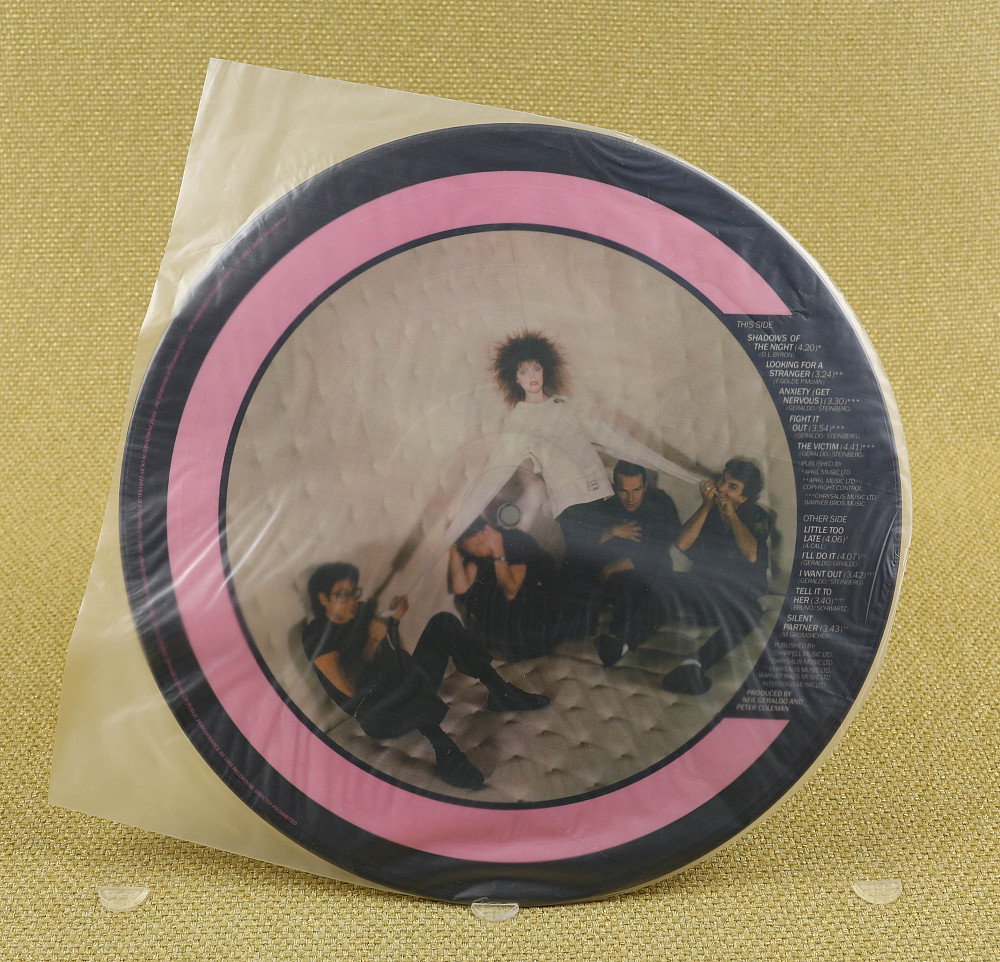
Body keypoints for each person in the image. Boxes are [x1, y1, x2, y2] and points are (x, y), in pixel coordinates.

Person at [440, 331, 700, 633]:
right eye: (523, 371)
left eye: (535, 368)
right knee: (583, 567)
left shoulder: (565, 406)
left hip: (601, 498)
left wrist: (690, 477)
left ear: (545, 369)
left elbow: (616, 441)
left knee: (615, 555)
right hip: (573, 506)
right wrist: (456, 526)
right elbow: (494, 472)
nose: (531, 376)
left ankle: (610, 626)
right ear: (515, 378)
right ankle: (578, 628)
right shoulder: (519, 420)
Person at [301, 562, 549, 790]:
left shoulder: (362, 611)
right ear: (323, 599)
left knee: (443, 622)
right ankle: (446, 752)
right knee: (398, 671)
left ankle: (500, 692)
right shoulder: (317, 636)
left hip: (403, 687)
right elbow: (351, 688)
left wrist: (394, 623)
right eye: (343, 595)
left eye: (354, 593)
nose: (353, 601)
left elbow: (391, 652)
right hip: (379, 715)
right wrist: (373, 641)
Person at [658, 458, 772, 695]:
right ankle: (620, 644)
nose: (721, 488)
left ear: (743, 498)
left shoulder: (758, 516)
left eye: (732, 487)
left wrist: (732, 516)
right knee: (665, 581)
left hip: (737, 595)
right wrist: (706, 506)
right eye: (723, 481)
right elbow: (681, 543)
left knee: (752, 612)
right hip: (707, 590)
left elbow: (751, 554)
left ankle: (694, 664)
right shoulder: (709, 510)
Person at [591, 461, 681, 666]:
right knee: (625, 587)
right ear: (615, 488)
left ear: (645, 486)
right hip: (622, 579)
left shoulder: (660, 502)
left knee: (663, 593)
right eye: (624, 491)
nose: (630, 499)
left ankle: (619, 643)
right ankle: (618, 642)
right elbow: (586, 540)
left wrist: (610, 568)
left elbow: (655, 551)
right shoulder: (609, 505)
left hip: (654, 572)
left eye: (636, 490)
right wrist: (612, 531)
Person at [449, 517, 560, 661]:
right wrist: (454, 550)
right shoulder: (477, 557)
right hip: (512, 627)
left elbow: (511, 592)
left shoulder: (516, 540)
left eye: (480, 543)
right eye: (474, 551)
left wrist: (499, 555)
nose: (481, 552)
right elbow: (460, 589)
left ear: (489, 530)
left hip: (540, 621)